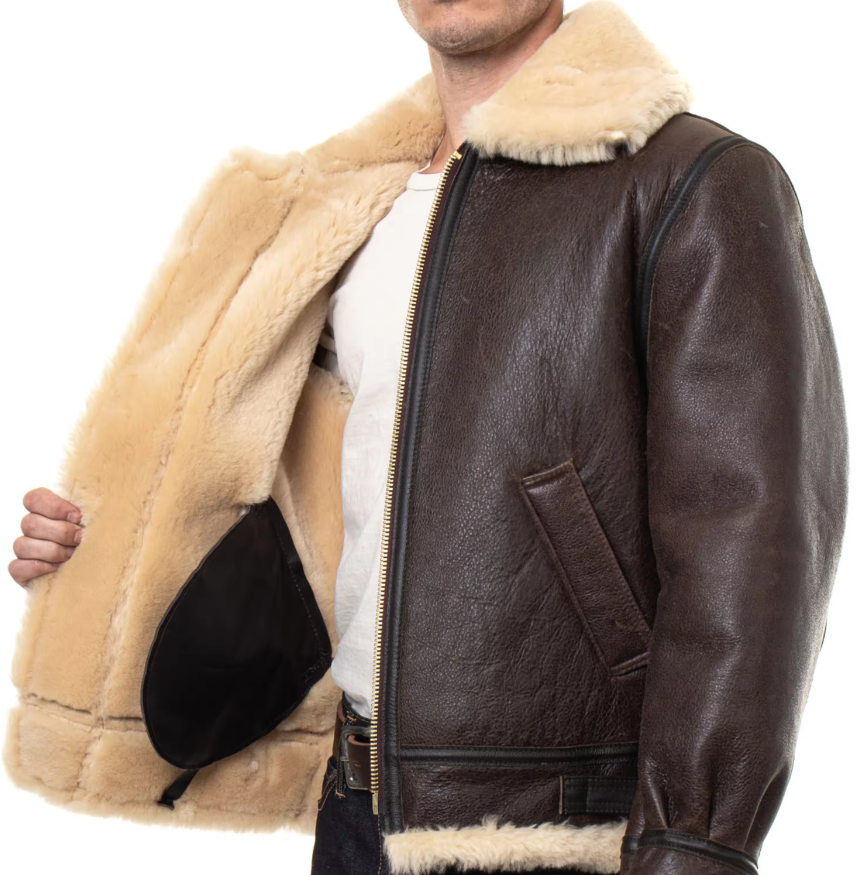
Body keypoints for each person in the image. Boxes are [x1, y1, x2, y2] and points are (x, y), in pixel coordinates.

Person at [6, 1, 848, 873]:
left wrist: (691, 842)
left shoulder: (692, 181)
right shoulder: (347, 201)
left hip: (559, 828)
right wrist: (108, 555)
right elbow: (302, 492)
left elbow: (751, 544)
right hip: (355, 802)